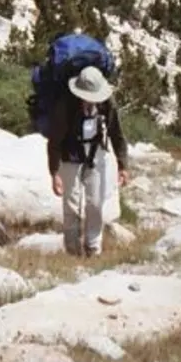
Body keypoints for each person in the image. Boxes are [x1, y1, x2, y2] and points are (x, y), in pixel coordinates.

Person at [46, 65, 129, 258]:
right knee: (71, 205)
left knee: (96, 202)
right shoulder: (65, 105)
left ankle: (93, 249)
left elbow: (117, 134)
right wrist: (54, 173)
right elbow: (55, 142)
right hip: (70, 156)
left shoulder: (107, 103)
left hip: (96, 154)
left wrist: (123, 165)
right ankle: (73, 250)